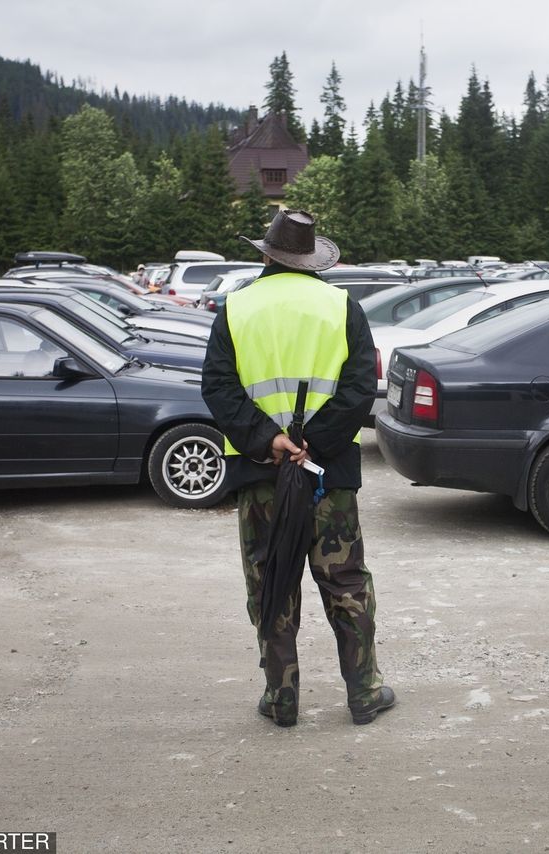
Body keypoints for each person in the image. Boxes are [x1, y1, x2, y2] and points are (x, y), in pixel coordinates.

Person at [201, 209, 395, 728]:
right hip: (328, 477)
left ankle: (281, 696)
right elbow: (359, 388)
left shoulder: (236, 308)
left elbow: (218, 389)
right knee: (345, 583)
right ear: (311, 260)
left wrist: (272, 439)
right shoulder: (341, 306)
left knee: (271, 583)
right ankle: (364, 692)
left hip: (259, 473)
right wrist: (314, 441)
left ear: (265, 254)